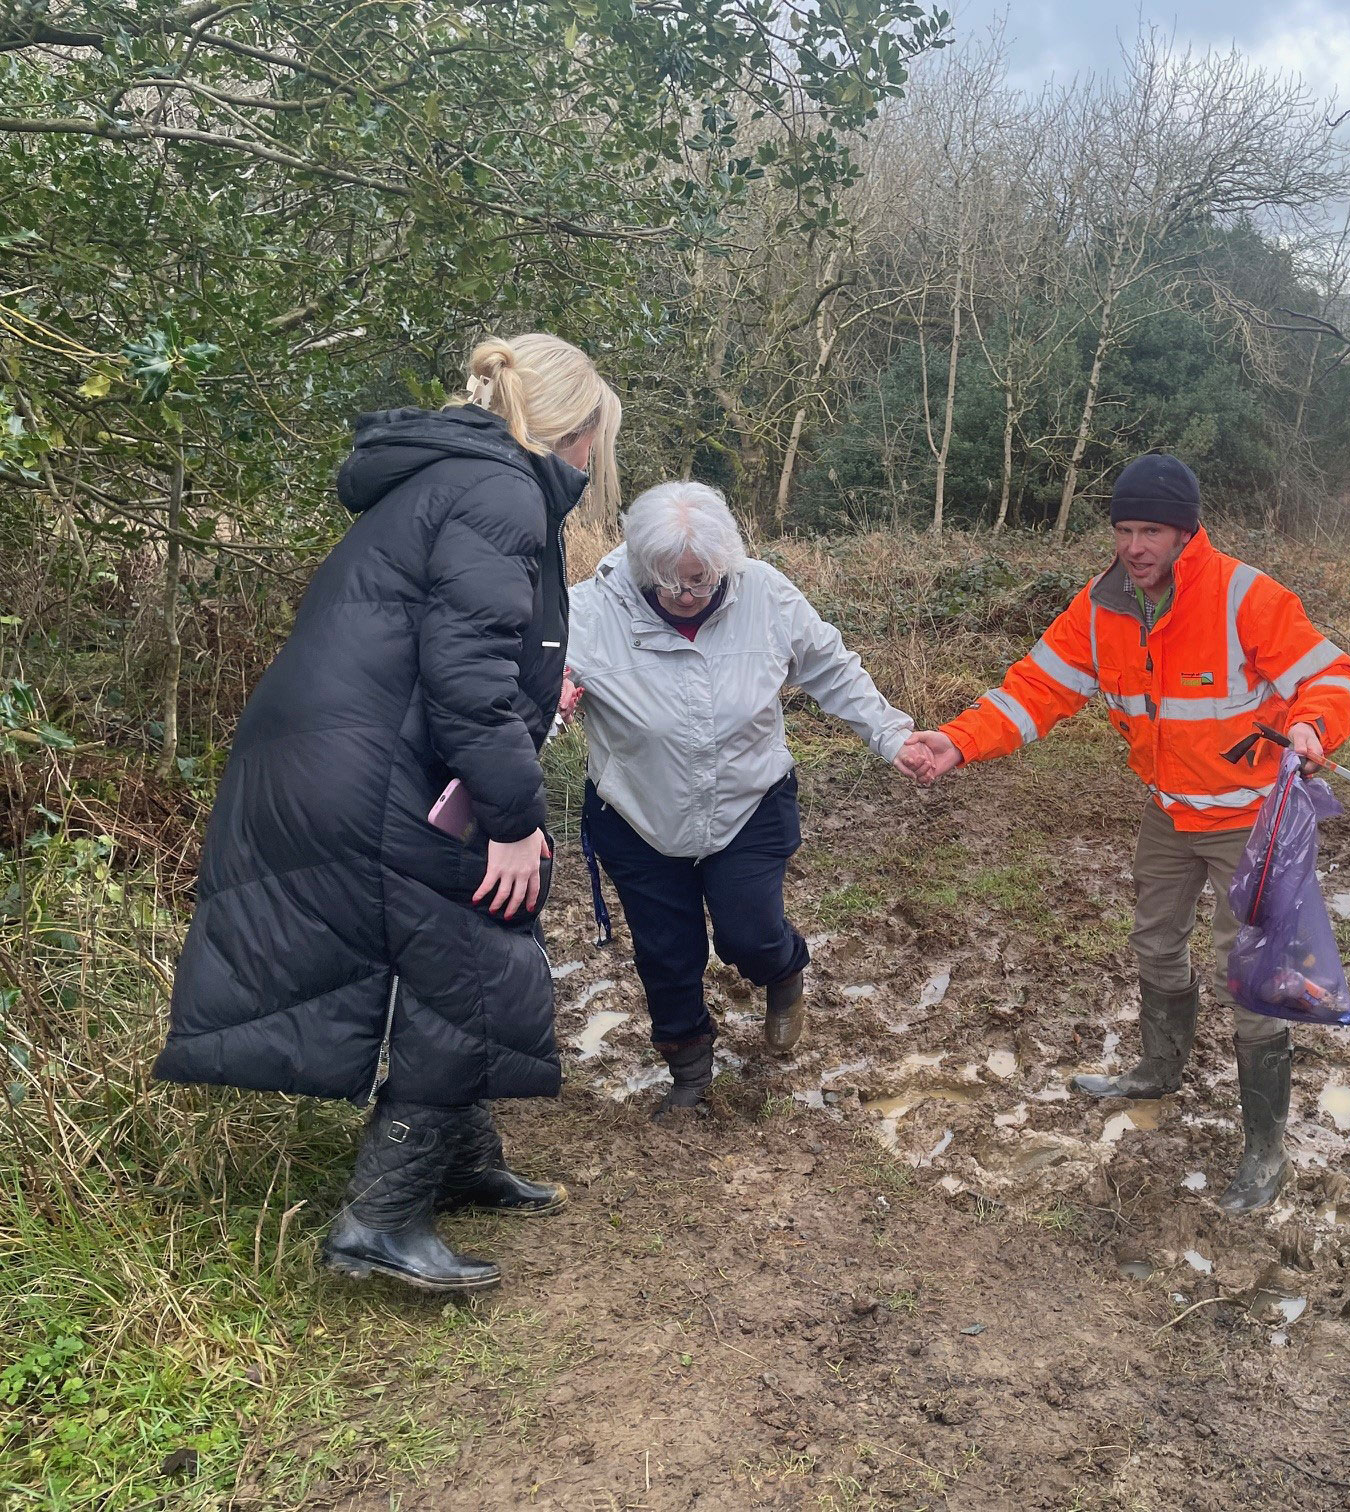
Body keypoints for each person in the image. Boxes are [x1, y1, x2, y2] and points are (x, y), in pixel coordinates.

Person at [155, 334, 622, 1291]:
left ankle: (461, 1159)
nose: (591, 466)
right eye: (595, 445)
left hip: (338, 760)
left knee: (456, 958)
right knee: (473, 967)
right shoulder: (500, 493)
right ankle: (382, 1218)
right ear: (571, 433)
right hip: (378, 778)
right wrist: (510, 818)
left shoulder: (443, 478)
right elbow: (464, 679)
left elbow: (442, 649)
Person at [899, 453, 1350, 1214]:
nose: (1134, 545)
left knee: (1254, 974)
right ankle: (1159, 1069)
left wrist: (1315, 724)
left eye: (1151, 529)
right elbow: (1037, 687)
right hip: (1167, 811)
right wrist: (957, 742)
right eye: (1123, 529)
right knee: (1154, 943)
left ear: (1187, 533)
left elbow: (1339, 675)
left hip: (1252, 819)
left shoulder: (1244, 596)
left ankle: (1264, 1149)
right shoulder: (1102, 605)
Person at [564, 481, 914, 1115]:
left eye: (699, 580)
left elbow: (830, 667)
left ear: (725, 562)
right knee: (666, 951)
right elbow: (526, 696)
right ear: (641, 567)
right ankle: (691, 1071)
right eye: (669, 583)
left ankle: (783, 975)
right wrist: (542, 708)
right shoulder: (585, 614)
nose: (686, 595)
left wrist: (891, 734)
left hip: (749, 801)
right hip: (639, 813)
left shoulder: (766, 593)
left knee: (748, 933)